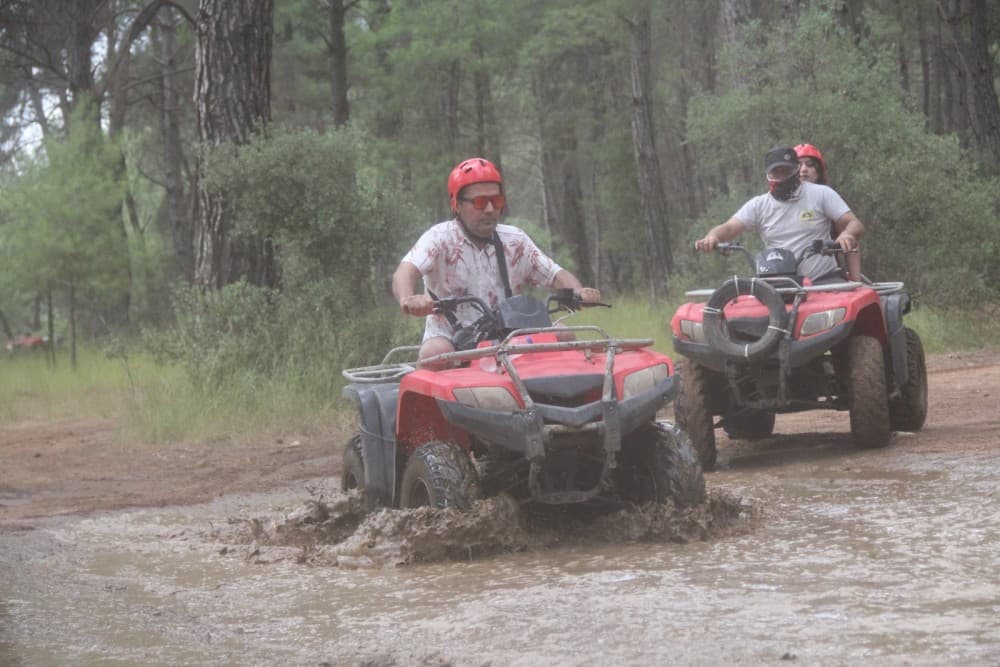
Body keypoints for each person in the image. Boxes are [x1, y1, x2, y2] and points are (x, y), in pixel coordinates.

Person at [392, 157, 601, 366]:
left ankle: (568, 387)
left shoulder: (515, 240)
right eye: (480, 202)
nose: (490, 209)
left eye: (497, 201)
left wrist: (579, 292)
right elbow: (405, 271)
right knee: (435, 353)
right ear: (457, 204)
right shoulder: (439, 238)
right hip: (453, 340)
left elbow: (554, 274)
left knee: (562, 334)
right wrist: (408, 298)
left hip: (511, 335)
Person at [695, 146, 865, 283]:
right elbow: (729, 228)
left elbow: (854, 223)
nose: (782, 177)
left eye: (786, 171)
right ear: (768, 175)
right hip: (779, 285)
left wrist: (847, 234)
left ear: (796, 170)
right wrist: (712, 237)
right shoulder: (759, 205)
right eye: (776, 173)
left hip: (824, 280)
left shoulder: (821, 193)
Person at [795, 143, 862, 280]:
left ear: (819, 170)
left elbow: (852, 238)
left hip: (826, 275)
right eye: (798, 165)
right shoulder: (780, 202)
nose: (804, 169)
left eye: (810, 165)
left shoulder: (828, 198)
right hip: (791, 273)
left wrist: (856, 280)